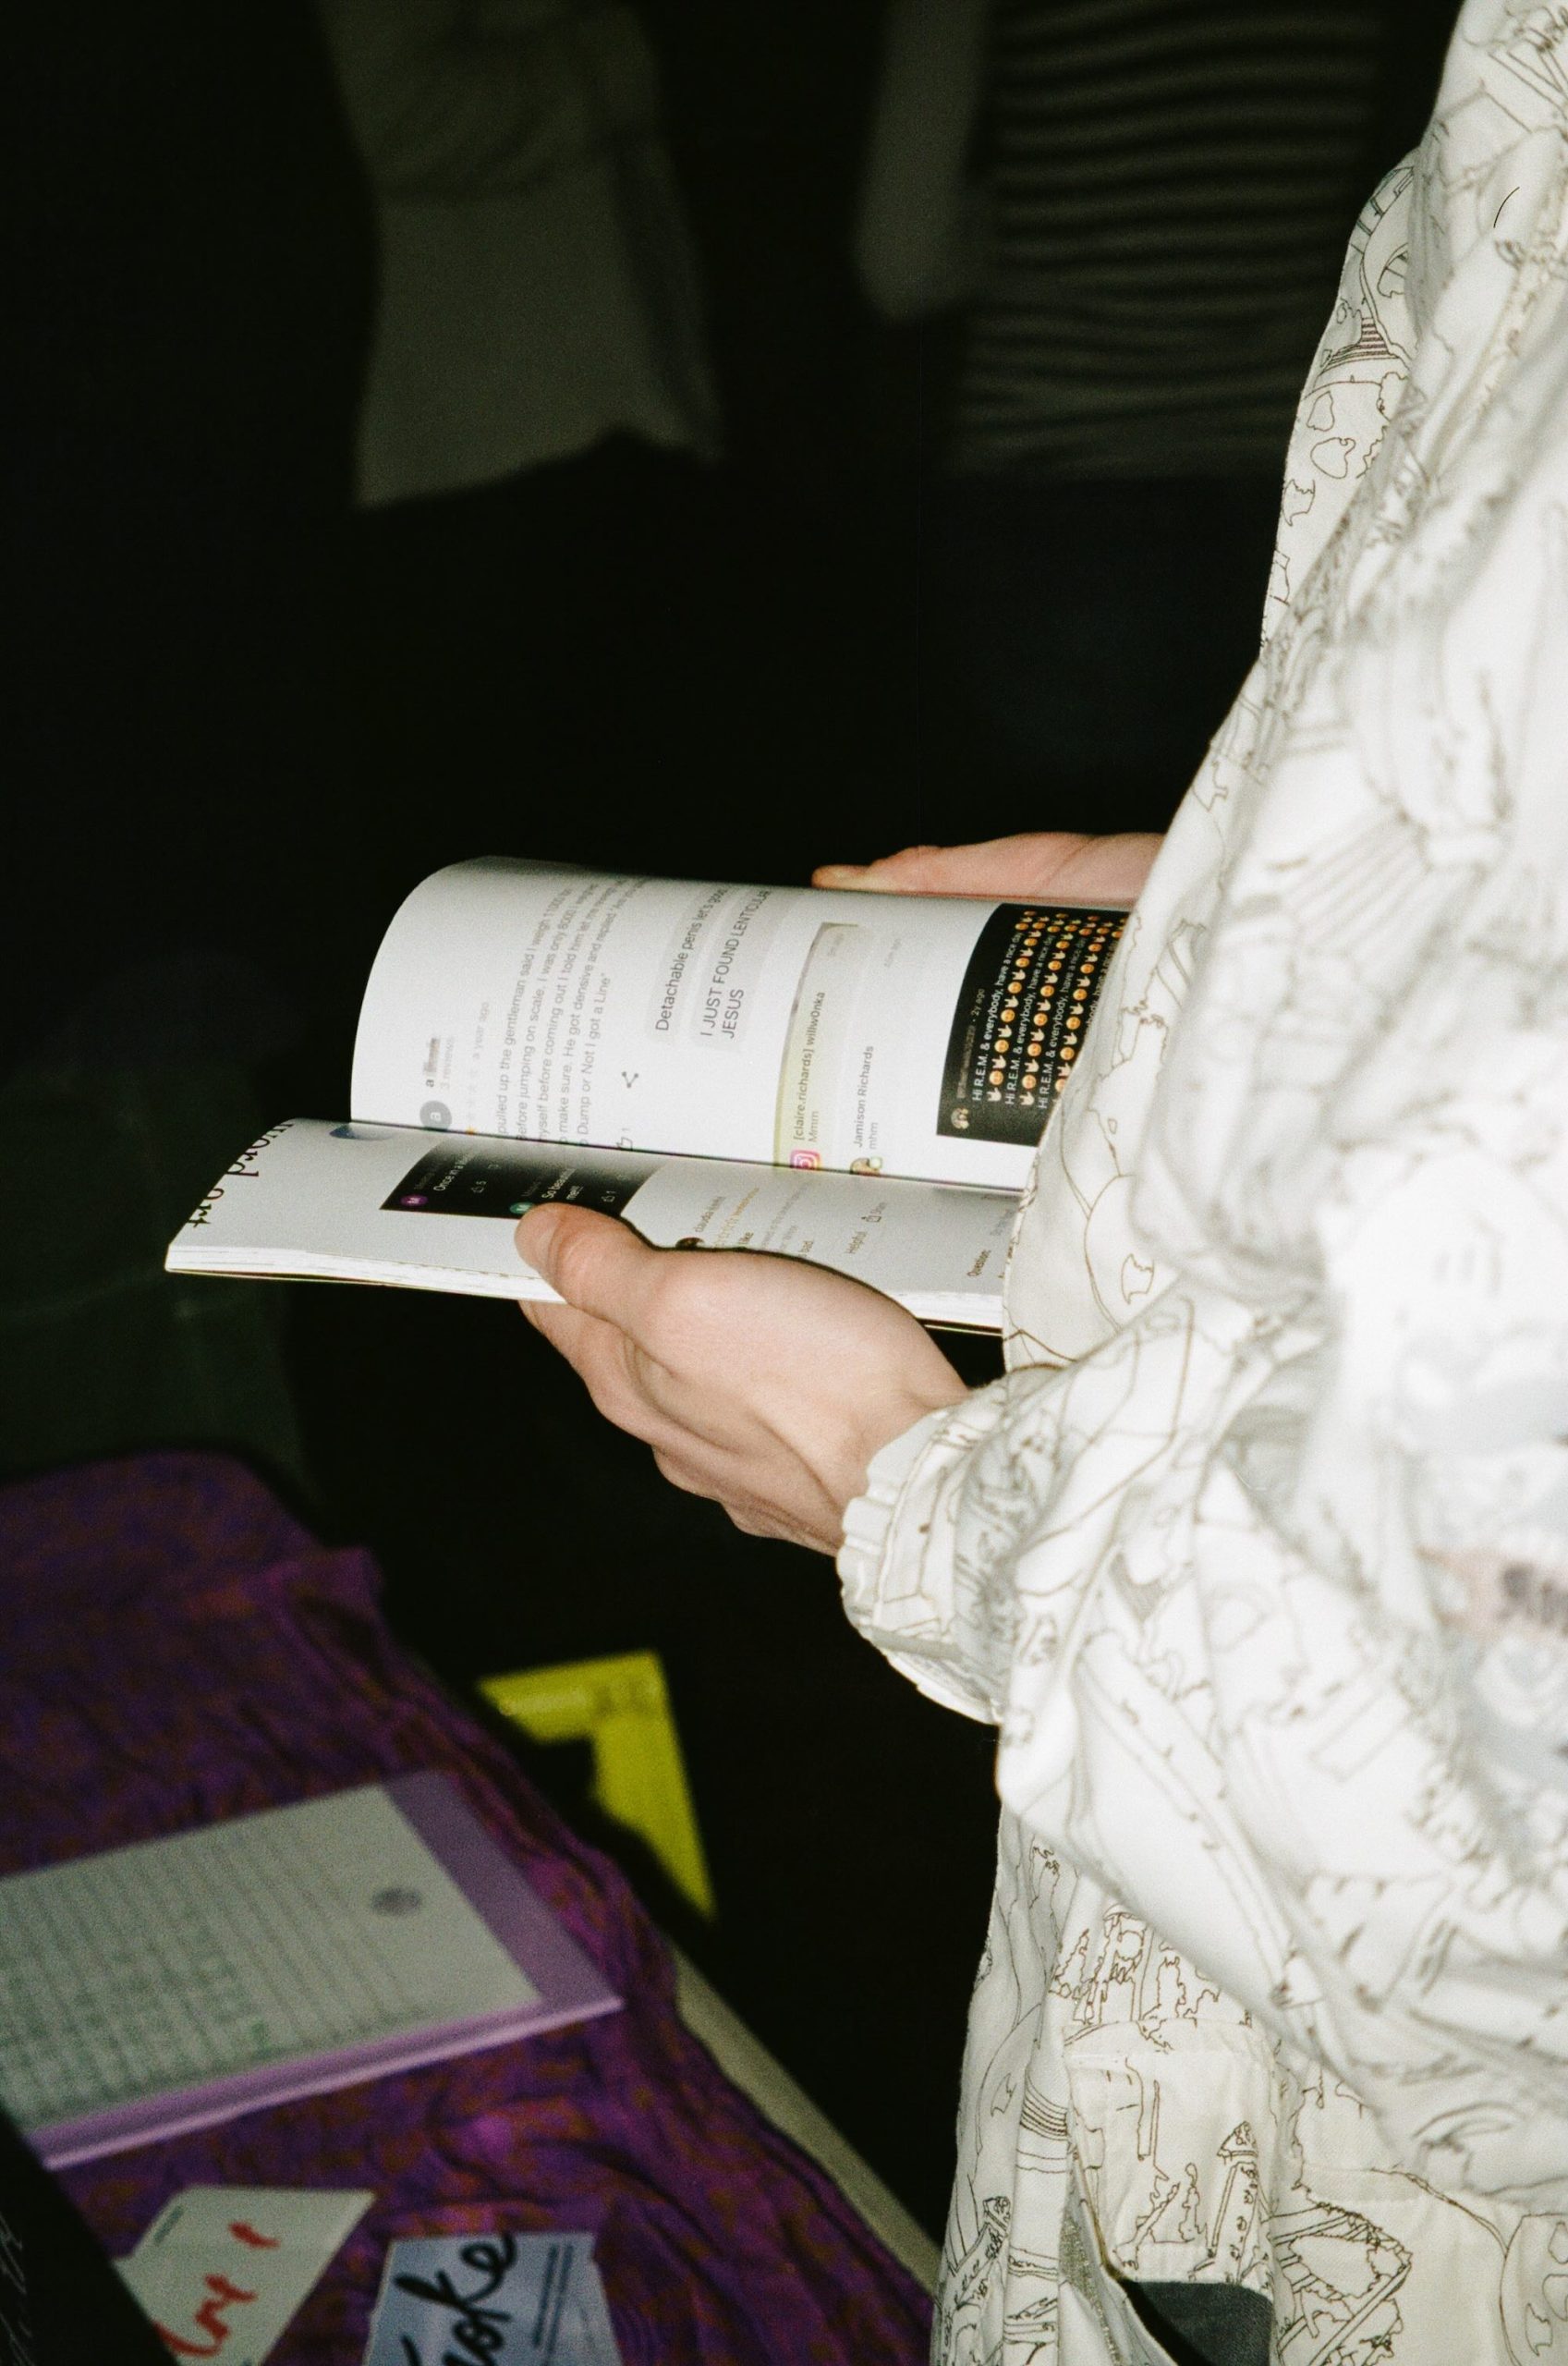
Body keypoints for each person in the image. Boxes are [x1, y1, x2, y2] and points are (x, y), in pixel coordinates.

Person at [515, 6, 1568, 2358]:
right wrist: (1256, 890)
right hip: (1206, 467)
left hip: (1063, 463)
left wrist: (913, 1486)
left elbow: (1507, 1830)